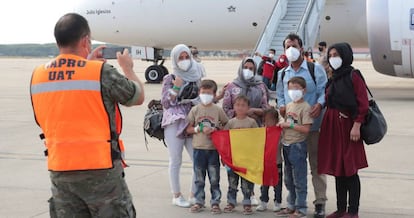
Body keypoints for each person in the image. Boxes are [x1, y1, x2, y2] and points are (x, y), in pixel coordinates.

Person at [30, 13, 144, 217]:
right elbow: (136, 96)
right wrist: (128, 68)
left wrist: (87, 63)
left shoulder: (38, 75)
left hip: (60, 170)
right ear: (85, 41)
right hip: (100, 170)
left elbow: (46, 115)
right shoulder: (100, 72)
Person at [276, 33, 328, 218]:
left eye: (294, 46)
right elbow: (280, 95)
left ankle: (320, 202)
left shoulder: (315, 69)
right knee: (292, 169)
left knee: (316, 166)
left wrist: (320, 104)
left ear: (301, 48)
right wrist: (281, 106)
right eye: (287, 46)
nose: (291, 49)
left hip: (313, 127)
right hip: (292, 131)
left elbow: (324, 91)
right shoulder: (283, 73)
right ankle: (294, 203)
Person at [318, 42, 369, 218]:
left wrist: (357, 125)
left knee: (350, 169)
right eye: (330, 56)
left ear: (345, 56)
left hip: (348, 126)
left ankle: (353, 211)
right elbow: (328, 99)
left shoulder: (354, 76)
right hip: (332, 125)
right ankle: (341, 209)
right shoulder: (332, 77)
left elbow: (363, 103)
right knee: (338, 168)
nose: (333, 59)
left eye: (336, 55)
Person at [222, 57, 270, 206]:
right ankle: (232, 198)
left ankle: (250, 194)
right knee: (235, 168)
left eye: (251, 68)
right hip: (236, 133)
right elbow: (225, 109)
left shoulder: (260, 86)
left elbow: (266, 107)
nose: (248, 70)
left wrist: (254, 111)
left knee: (250, 166)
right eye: (246, 67)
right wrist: (240, 114)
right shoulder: (232, 86)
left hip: (253, 131)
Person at [161, 44, 203, 207]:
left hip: (191, 120)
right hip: (174, 121)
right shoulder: (169, 78)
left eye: (187, 57)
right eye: (181, 58)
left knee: (197, 160)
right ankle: (177, 195)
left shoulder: (196, 76)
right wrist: (176, 87)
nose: (184, 61)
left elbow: (201, 97)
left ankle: (194, 193)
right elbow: (166, 102)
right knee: (175, 159)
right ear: (175, 59)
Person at [186, 79, 229, 214]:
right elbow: (188, 129)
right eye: (203, 92)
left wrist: (216, 129)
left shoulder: (217, 110)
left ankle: (215, 202)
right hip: (198, 148)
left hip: (213, 149)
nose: (205, 95)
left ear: (214, 94)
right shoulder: (195, 110)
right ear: (199, 92)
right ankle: (199, 201)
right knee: (199, 178)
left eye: (209, 93)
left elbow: (226, 125)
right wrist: (198, 129)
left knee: (214, 177)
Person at [276, 76, 313, 218]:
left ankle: (301, 207)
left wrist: (290, 125)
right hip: (286, 144)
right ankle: (291, 205)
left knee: (299, 178)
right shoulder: (289, 105)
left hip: (297, 145)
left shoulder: (305, 107)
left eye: (296, 88)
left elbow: (306, 129)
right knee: (288, 178)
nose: (293, 91)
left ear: (304, 90)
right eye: (290, 88)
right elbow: (286, 121)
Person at [222, 95, 258, 215]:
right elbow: (225, 140)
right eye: (237, 105)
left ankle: (247, 203)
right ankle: (231, 202)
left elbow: (258, 139)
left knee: (247, 183)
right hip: (233, 159)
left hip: (247, 159)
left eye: (243, 105)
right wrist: (224, 156)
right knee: (232, 182)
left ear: (248, 108)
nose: (240, 107)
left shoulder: (252, 122)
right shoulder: (231, 122)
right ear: (234, 107)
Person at [256, 108, 283, 212]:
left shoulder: (279, 132)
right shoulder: (262, 132)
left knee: (277, 183)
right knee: (264, 183)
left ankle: (278, 202)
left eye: (270, 120)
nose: (267, 122)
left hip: (277, 162)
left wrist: (280, 125)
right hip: (264, 163)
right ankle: (263, 201)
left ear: (276, 121)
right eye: (265, 120)